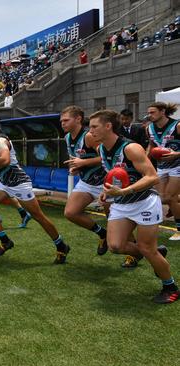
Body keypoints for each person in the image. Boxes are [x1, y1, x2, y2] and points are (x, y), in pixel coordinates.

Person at [90, 109, 178, 304]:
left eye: (94, 127)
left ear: (108, 126)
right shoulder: (101, 149)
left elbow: (152, 177)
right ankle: (156, 254)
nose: (91, 131)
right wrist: (107, 192)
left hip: (145, 201)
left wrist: (123, 192)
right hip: (123, 203)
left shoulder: (131, 148)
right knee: (115, 246)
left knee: (147, 248)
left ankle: (170, 286)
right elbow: (114, 176)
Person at [0, 116, 70, 263]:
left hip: (19, 183)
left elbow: (6, 159)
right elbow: (7, 162)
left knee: (38, 216)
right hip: (6, 182)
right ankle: (5, 241)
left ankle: (61, 245)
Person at [60, 106, 108, 255]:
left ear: (78, 119)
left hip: (105, 183)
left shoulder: (88, 136)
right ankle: (102, 233)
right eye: (61, 121)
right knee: (70, 213)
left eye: (66, 120)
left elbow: (107, 157)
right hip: (87, 182)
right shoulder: (68, 137)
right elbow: (76, 158)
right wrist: (76, 167)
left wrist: (83, 163)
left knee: (115, 221)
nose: (63, 123)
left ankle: (132, 251)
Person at [145, 102, 180, 241]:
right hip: (161, 166)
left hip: (177, 165)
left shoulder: (177, 126)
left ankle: (179, 230)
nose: (150, 115)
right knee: (163, 198)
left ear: (162, 111)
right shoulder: (149, 128)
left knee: (171, 197)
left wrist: (177, 154)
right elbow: (152, 144)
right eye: (149, 112)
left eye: (152, 112)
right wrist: (144, 159)